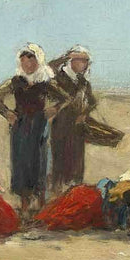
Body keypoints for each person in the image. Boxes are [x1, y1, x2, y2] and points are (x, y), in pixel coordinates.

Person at [0, 44, 68, 218]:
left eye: (31, 60)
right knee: (21, 163)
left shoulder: (45, 82)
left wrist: (54, 109)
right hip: (20, 126)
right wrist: (7, 112)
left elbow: (65, 98)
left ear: (38, 61)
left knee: (40, 162)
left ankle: (40, 205)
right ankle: (24, 206)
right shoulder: (16, 81)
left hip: (39, 125)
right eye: (24, 60)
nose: (28, 64)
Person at [49, 45, 97, 194]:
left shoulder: (83, 82)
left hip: (77, 127)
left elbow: (93, 101)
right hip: (60, 124)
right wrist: (66, 56)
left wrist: (85, 113)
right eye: (82, 60)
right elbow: (49, 67)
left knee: (76, 161)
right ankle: (57, 194)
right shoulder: (59, 77)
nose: (85, 64)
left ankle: (74, 194)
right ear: (72, 61)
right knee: (60, 160)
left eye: (86, 61)